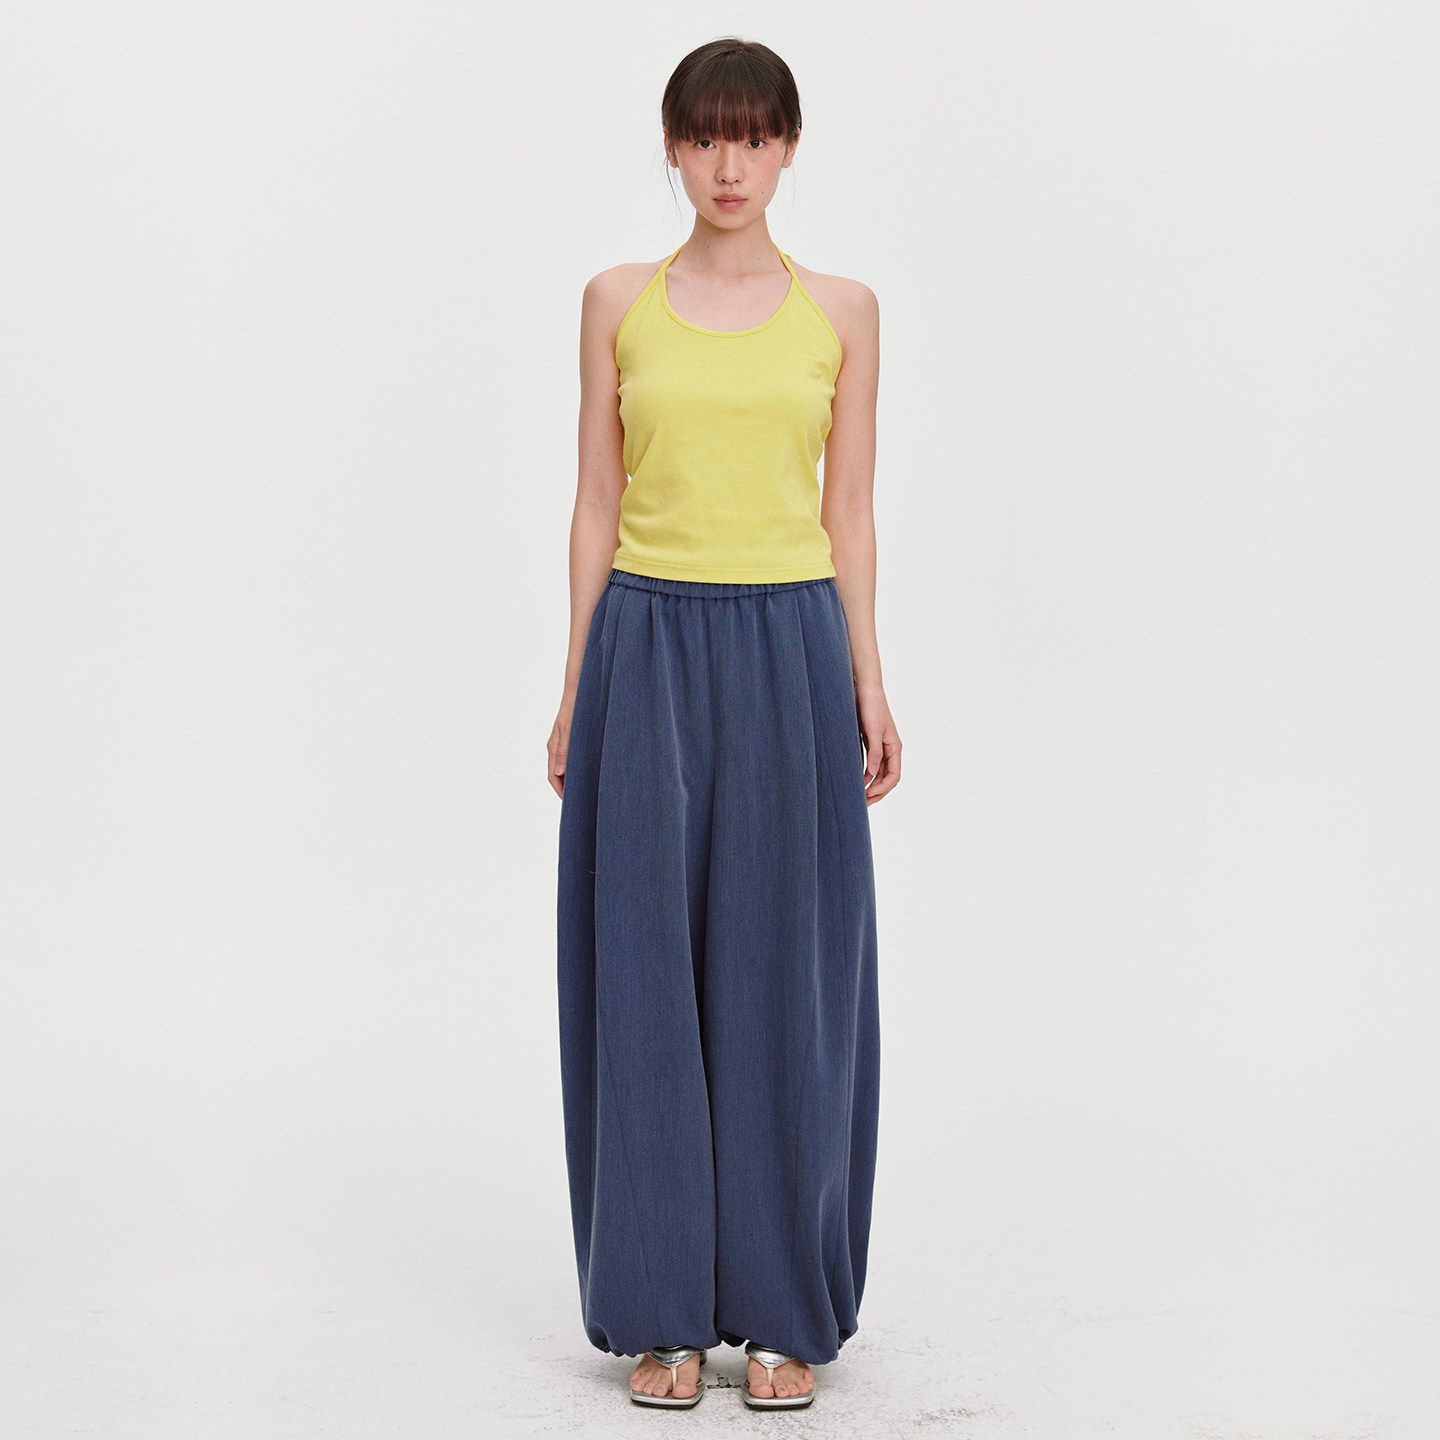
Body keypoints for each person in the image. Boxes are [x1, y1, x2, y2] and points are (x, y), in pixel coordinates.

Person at [547, 36, 901, 1412]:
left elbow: (848, 511)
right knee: (642, 973)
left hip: (791, 645)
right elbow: (596, 498)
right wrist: (576, 682)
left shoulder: (844, 312)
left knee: (787, 979)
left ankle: (783, 1310)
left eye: (754, 137)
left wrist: (869, 681)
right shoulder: (617, 302)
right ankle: (661, 1313)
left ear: (790, 147)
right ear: (673, 148)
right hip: (646, 641)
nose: (729, 165)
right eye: (705, 138)